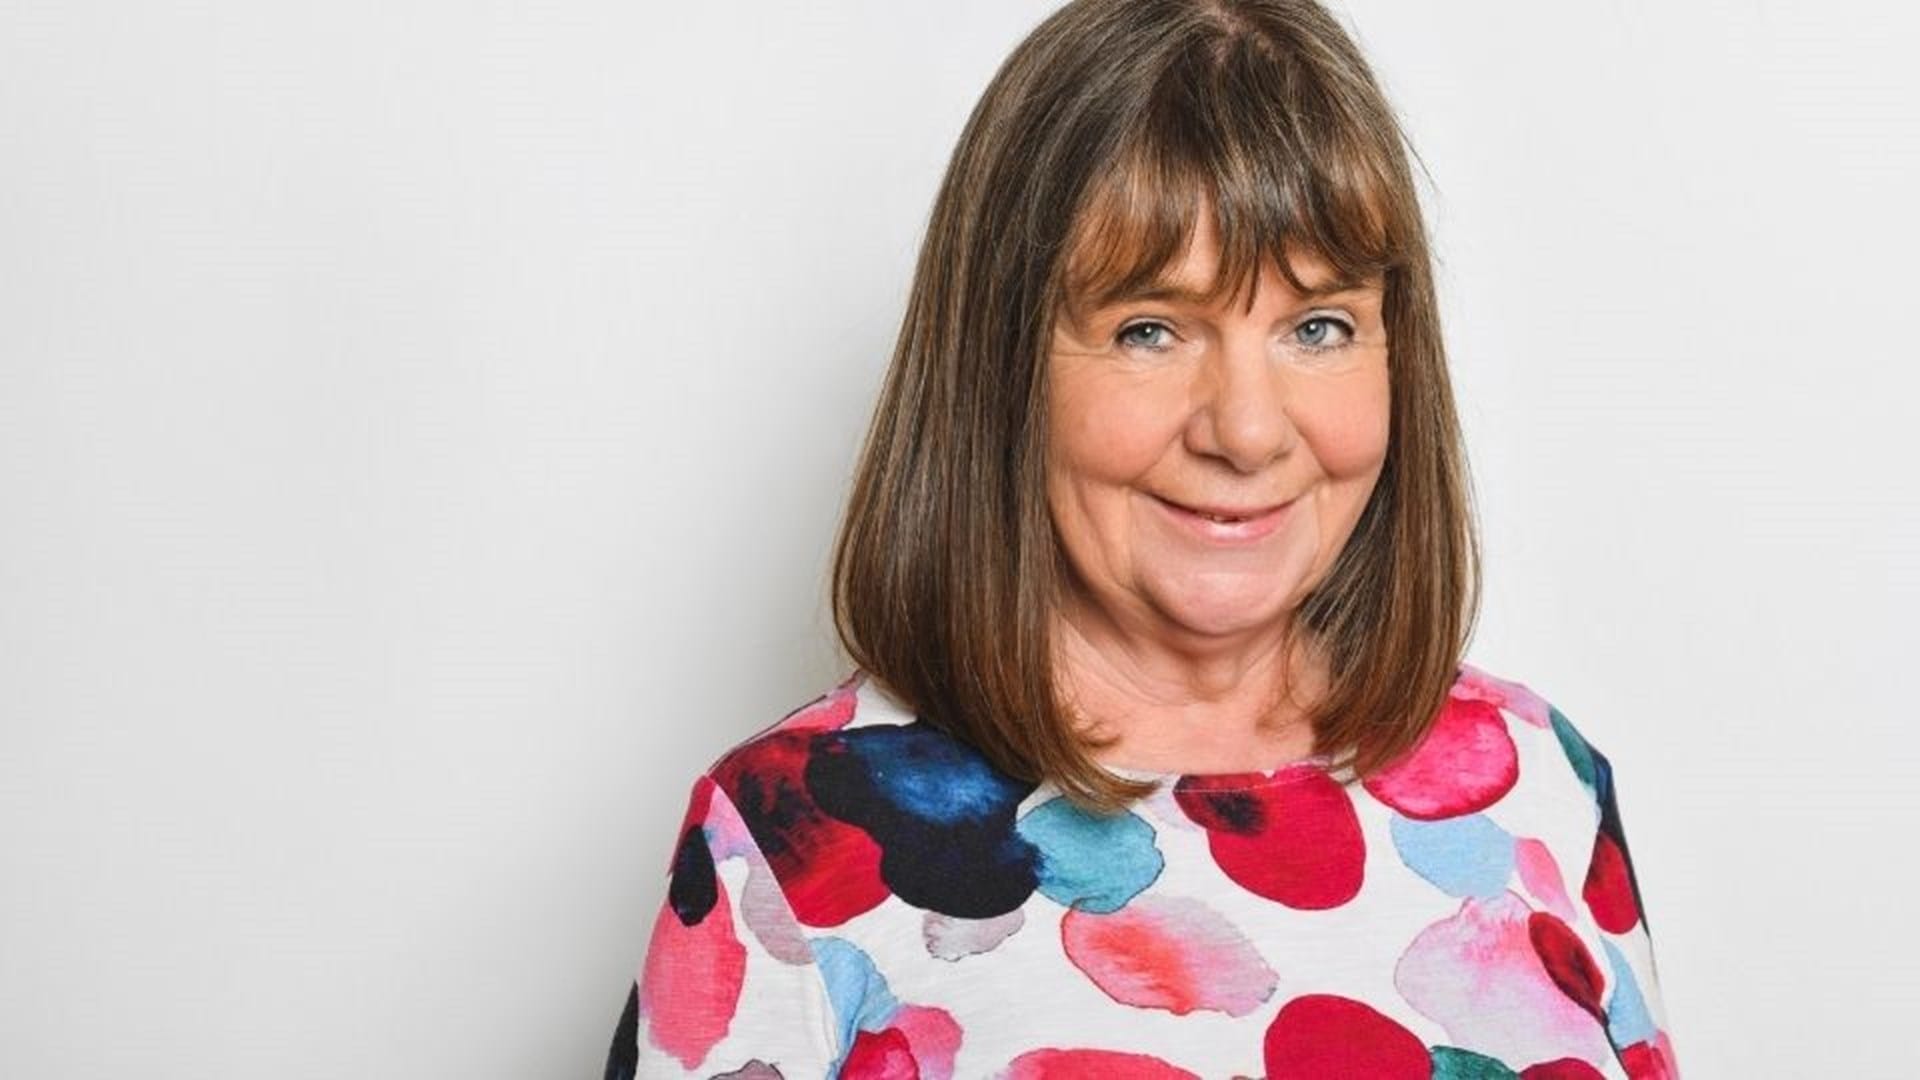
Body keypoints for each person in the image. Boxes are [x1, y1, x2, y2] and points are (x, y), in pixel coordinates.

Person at [602, 0, 1680, 1076]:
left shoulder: (1544, 784)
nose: (1247, 432)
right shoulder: (788, 852)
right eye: (1149, 329)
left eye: (1317, 327)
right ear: (1002, 366)